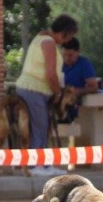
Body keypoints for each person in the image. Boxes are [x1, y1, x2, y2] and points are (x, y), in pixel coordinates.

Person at [15, 14, 78, 176]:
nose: (66, 41)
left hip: (33, 89)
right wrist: (58, 92)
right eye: (68, 36)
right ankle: (36, 164)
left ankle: (43, 162)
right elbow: (51, 74)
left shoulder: (41, 38)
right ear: (63, 32)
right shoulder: (49, 43)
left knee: (42, 126)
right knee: (40, 125)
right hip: (34, 90)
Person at [60, 37, 98, 122]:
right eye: (64, 55)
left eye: (70, 55)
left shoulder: (84, 64)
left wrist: (77, 91)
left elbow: (94, 87)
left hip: (74, 104)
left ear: (78, 51)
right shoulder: (58, 62)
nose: (67, 58)